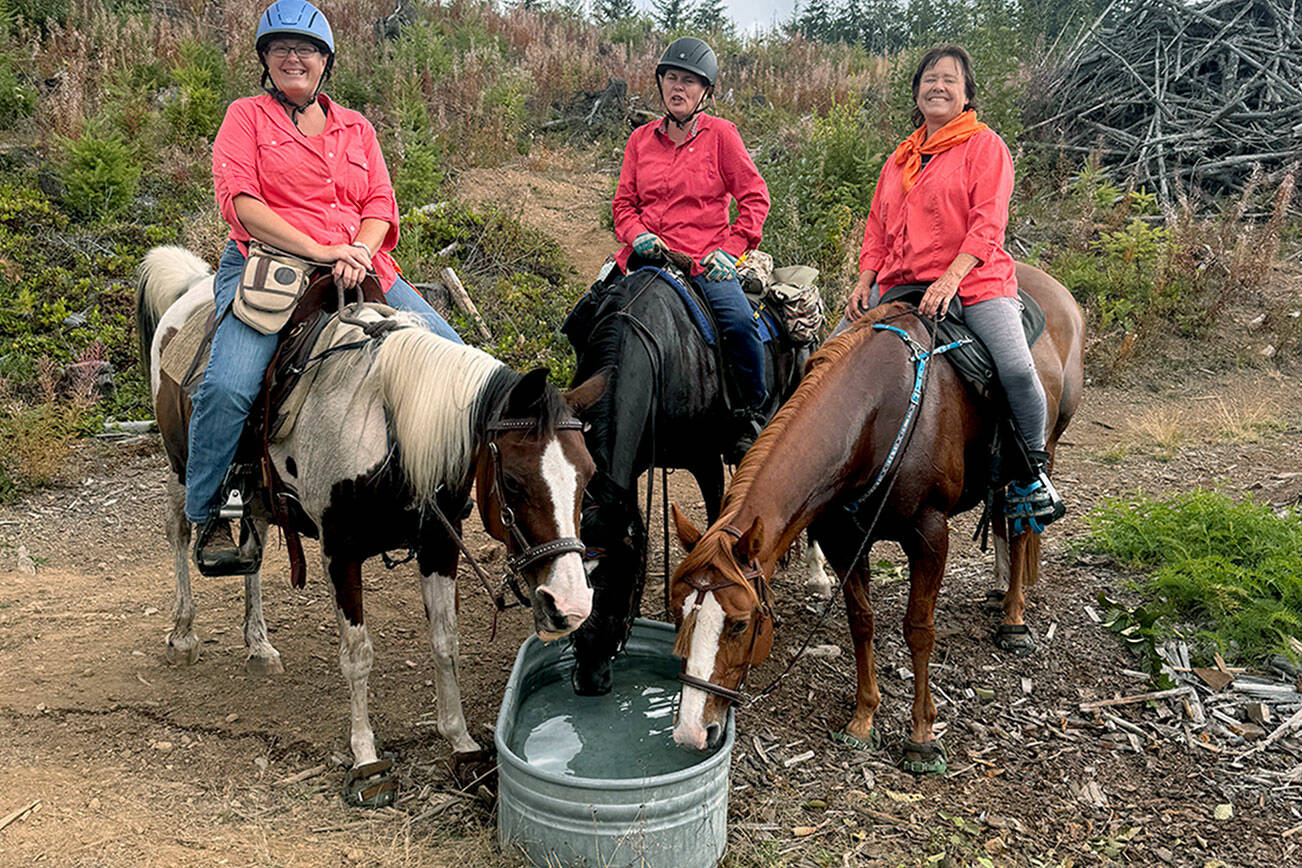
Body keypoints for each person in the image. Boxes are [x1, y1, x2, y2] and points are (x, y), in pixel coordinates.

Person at [189, 0, 462, 568]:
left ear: (325, 62)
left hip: (363, 268)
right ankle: (216, 508)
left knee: (455, 359)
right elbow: (239, 202)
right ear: (265, 60)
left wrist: (360, 249)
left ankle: (439, 496)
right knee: (229, 385)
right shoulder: (245, 117)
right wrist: (321, 250)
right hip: (269, 269)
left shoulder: (356, 127)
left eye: (306, 49)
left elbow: (381, 204)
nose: (294, 57)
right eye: (281, 49)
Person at [843, 44, 1064, 530]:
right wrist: (865, 280)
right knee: (831, 358)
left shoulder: (986, 147)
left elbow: (988, 224)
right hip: (899, 284)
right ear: (916, 91)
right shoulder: (901, 157)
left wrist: (950, 277)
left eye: (949, 79)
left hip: (975, 281)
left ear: (966, 95)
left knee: (1017, 369)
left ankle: (1032, 475)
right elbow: (877, 228)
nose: (937, 86)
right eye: (929, 79)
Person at [611, 37, 771, 464]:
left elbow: (755, 198)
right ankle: (591, 409)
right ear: (660, 83)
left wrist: (732, 248)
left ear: (706, 92)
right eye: (671, 78)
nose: (677, 87)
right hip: (645, 259)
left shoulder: (722, 136)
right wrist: (635, 233)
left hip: (703, 262)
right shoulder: (640, 140)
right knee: (587, 315)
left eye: (689, 81)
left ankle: (748, 415)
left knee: (738, 322)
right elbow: (623, 205)